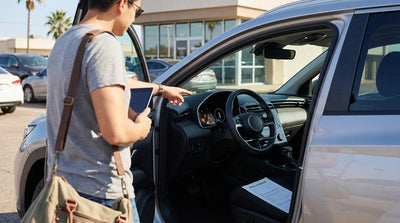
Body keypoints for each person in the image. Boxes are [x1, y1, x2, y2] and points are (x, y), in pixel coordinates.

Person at [45, 0, 191, 222]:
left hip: (64, 189)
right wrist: (142, 127)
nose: (135, 18)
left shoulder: (66, 40)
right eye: (138, 10)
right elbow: (117, 133)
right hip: (102, 198)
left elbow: (106, 83)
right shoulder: (104, 44)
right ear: (123, 3)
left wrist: (159, 89)